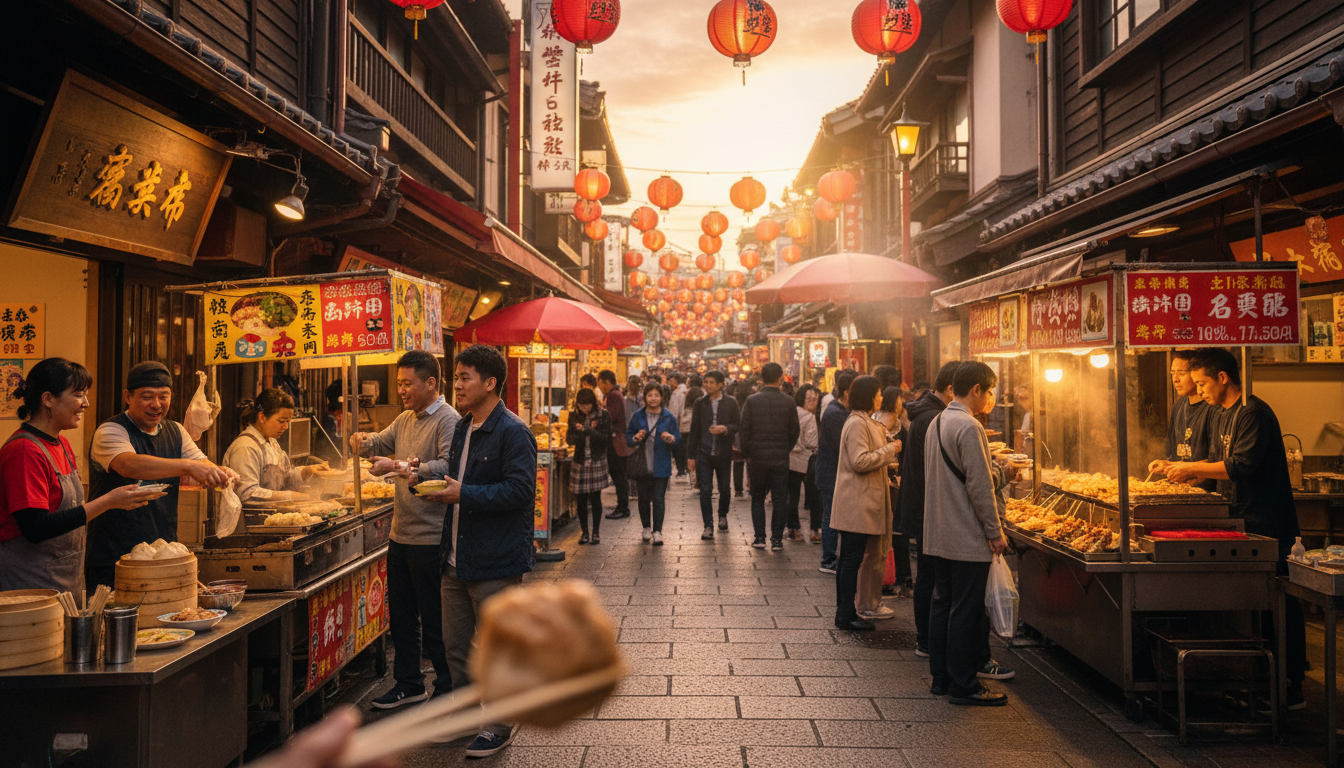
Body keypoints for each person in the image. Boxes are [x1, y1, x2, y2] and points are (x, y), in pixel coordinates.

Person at [1153, 347, 1307, 709]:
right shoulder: (1221, 412)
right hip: (1237, 517)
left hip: (1266, 520)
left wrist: (1192, 470)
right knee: (1248, 603)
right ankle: (1253, 676)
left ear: (1223, 378)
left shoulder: (1251, 411)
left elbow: (1240, 465)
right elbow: (1213, 460)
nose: (1198, 388)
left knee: (1278, 602)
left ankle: (1291, 683)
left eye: (1202, 381)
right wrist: (1179, 468)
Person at [420, 344, 534, 757]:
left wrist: (462, 494)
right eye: (457, 377)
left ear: (490, 383)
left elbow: (521, 491)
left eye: (465, 377)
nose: (458, 385)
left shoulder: (514, 431)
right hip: (455, 558)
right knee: (456, 647)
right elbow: (454, 476)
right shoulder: (465, 427)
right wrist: (435, 485)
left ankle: (499, 723)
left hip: (495, 560)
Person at [346, 351, 460, 709]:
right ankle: (409, 683)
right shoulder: (406, 418)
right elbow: (381, 442)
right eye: (398, 384)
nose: (402, 391)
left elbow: (448, 465)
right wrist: (363, 442)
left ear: (430, 383)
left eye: (407, 383)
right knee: (402, 615)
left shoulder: (448, 420)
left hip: (431, 535)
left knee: (435, 618)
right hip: (401, 532)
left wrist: (397, 465)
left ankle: (447, 688)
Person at [0, 359, 158, 593]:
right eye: (79, 394)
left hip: (67, 582)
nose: (86, 403)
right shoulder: (24, 450)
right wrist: (108, 501)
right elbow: (36, 527)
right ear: (48, 399)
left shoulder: (62, 443)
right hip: (28, 589)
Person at [85, 361, 237, 589]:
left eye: (163, 396)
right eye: (147, 396)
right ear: (128, 396)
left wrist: (219, 473)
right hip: (113, 560)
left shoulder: (176, 430)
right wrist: (189, 467)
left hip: (163, 556)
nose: (156, 404)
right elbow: (129, 465)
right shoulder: (111, 430)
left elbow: (200, 463)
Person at [923, 361, 1010, 706]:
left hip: (939, 534)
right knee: (965, 610)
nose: (989, 397)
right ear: (976, 389)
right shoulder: (968, 426)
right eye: (989, 391)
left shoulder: (938, 420)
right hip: (965, 536)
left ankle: (941, 678)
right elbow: (981, 485)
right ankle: (964, 685)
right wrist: (995, 531)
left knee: (943, 604)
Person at [830, 375, 899, 631]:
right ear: (868, 395)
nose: (881, 398)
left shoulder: (863, 421)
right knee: (850, 560)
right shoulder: (857, 423)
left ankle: (845, 612)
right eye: (878, 393)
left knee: (849, 559)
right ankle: (845, 614)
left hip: (859, 503)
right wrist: (890, 452)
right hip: (856, 504)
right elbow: (859, 461)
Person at [899, 362, 958, 655]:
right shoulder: (934, 417)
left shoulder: (923, 413)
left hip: (920, 504)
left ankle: (927, 637)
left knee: (926, 574)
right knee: (930, 576)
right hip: (928, 506)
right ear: (951, 389)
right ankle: (926, 638)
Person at [223, 389, 325, 505]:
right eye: (281, 421)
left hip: (272, 517)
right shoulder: (245, 448)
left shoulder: (272, 443)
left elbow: (285, 479)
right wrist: (290, 496)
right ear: (262, 417)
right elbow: (247, 494)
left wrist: (305, 472)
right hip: (249, 521)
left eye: (288, 421)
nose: (286, 427)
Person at [740, 363, 799, 551]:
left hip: (757, 457)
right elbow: (794, 431)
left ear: (761, 378)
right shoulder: (788, 401)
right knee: (780, 499)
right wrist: (785, 448)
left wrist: (747, 453)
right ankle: (776, 540)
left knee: (757, 497)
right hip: (780, 457)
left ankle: (759, 537)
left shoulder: (752, 401)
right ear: (780, 377)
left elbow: (744, 431)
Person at [815, 369, 858, 574]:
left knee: (832, 515)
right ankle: (828, 559)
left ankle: (831, 556)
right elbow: (842, 445)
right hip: (831, 474)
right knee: (830, 517)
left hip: (834, 473)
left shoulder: (841, 411)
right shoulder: (834, 413)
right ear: (847, 392)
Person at [626, 383, 679, 546]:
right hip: (642, 463)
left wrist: (671, 438)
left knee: (658, 498)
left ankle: (658, 531)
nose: (653, 398)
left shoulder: (668, 417)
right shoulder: (637, 416)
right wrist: (635, 438)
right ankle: (646, 528)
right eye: (650, 395)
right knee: (643, 498)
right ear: (645, 397)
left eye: (656, 395)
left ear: (661, 397)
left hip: (661, 464)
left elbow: (677, 439)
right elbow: (628, 436)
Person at [688, 370, 739, 539]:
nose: (707, 385)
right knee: (705, 490)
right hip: (704, 453)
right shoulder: (699, 404)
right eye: (705, 382)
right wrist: (690, 456)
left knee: (725, 489)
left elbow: (738, 424)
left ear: (719, 384)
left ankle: (722, 514)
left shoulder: (731, 402)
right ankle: (708, 525)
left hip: (724, 453)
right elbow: (694, 430)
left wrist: (725, 429)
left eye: (710, 382)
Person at [1157, 351, 1214, 491]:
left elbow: (1221, 460)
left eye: (1181, 373)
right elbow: (1172, 452)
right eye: (1173, 373)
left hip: (1208, 492)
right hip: (1181, 490)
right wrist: (1166, 466)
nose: (1175, 379)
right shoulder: (1179, 405)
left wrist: (1193, 470)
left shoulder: (1213, 407)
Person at [874, 386, 911, 599]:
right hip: (881, 483)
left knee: (898, 531)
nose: (902, 403)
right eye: (900, 399)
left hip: (896, 484)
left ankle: (902, 577)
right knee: (883, 533)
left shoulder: (901, 426)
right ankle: (885, 578)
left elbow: (906, 455)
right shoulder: (875, 424)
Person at [566, 387, 611, 545]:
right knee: (581, 499)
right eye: (581, 405)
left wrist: (589, 430)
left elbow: (606, 438)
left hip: (596, 460)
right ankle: (584, 532)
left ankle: (596, 532)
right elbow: (569, 439)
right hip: (579, 461)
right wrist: (578, 433)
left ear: (593, 403)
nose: (584, 408)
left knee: (595, 497)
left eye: (587, 405)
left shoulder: (602, 415)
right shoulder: (574, 416)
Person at [785, 384, 820, 543]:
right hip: (807, 460)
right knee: (813, 496)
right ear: (802, 400)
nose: (813, 402)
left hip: (790, 459)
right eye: (809, 399)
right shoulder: (810, 417)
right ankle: (814, 530)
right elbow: (812, 442)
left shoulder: (790, 413)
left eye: (815, 399)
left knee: (792, 495)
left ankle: (793, 528)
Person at [597, 370, 632, 520]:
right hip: (617, 440)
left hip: (616, 441)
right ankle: (622, 506)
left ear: (606, 382)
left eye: (599, 383)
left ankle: (623, 507)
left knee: (619, 476)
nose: (599, 387)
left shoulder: (613, 396)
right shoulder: (615, 395)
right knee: (619, 476)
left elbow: (611, 417)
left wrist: (599, 416)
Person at [681, 375, 703, 483]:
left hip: (686, 429)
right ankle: (699, 477)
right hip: (699, 429)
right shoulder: (703, 394)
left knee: (689, 453)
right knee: (699, 453)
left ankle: (693, 476)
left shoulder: (687, 394)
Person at [667, 374, 689, 477]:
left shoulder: (677, 393)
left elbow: (674, 412)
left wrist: (672, 426)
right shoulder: (688, 391)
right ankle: (685, 467)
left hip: (679, 426)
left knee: (678, 448)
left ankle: (681, 469)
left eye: (671, 381)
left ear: (675, 381)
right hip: (687, 426)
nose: (669, 383)